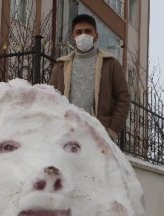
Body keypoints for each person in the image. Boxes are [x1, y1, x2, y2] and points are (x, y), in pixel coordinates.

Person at [50, 14, 130, 143]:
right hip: (66, 134)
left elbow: (123, 99)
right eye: (79, 32)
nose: (83, 35)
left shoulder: (110, 64)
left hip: (99, 135)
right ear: (73, 36)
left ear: (96, 36)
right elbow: (51, 99)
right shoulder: (61, 66)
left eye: (88, 31)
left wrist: (112, 130)